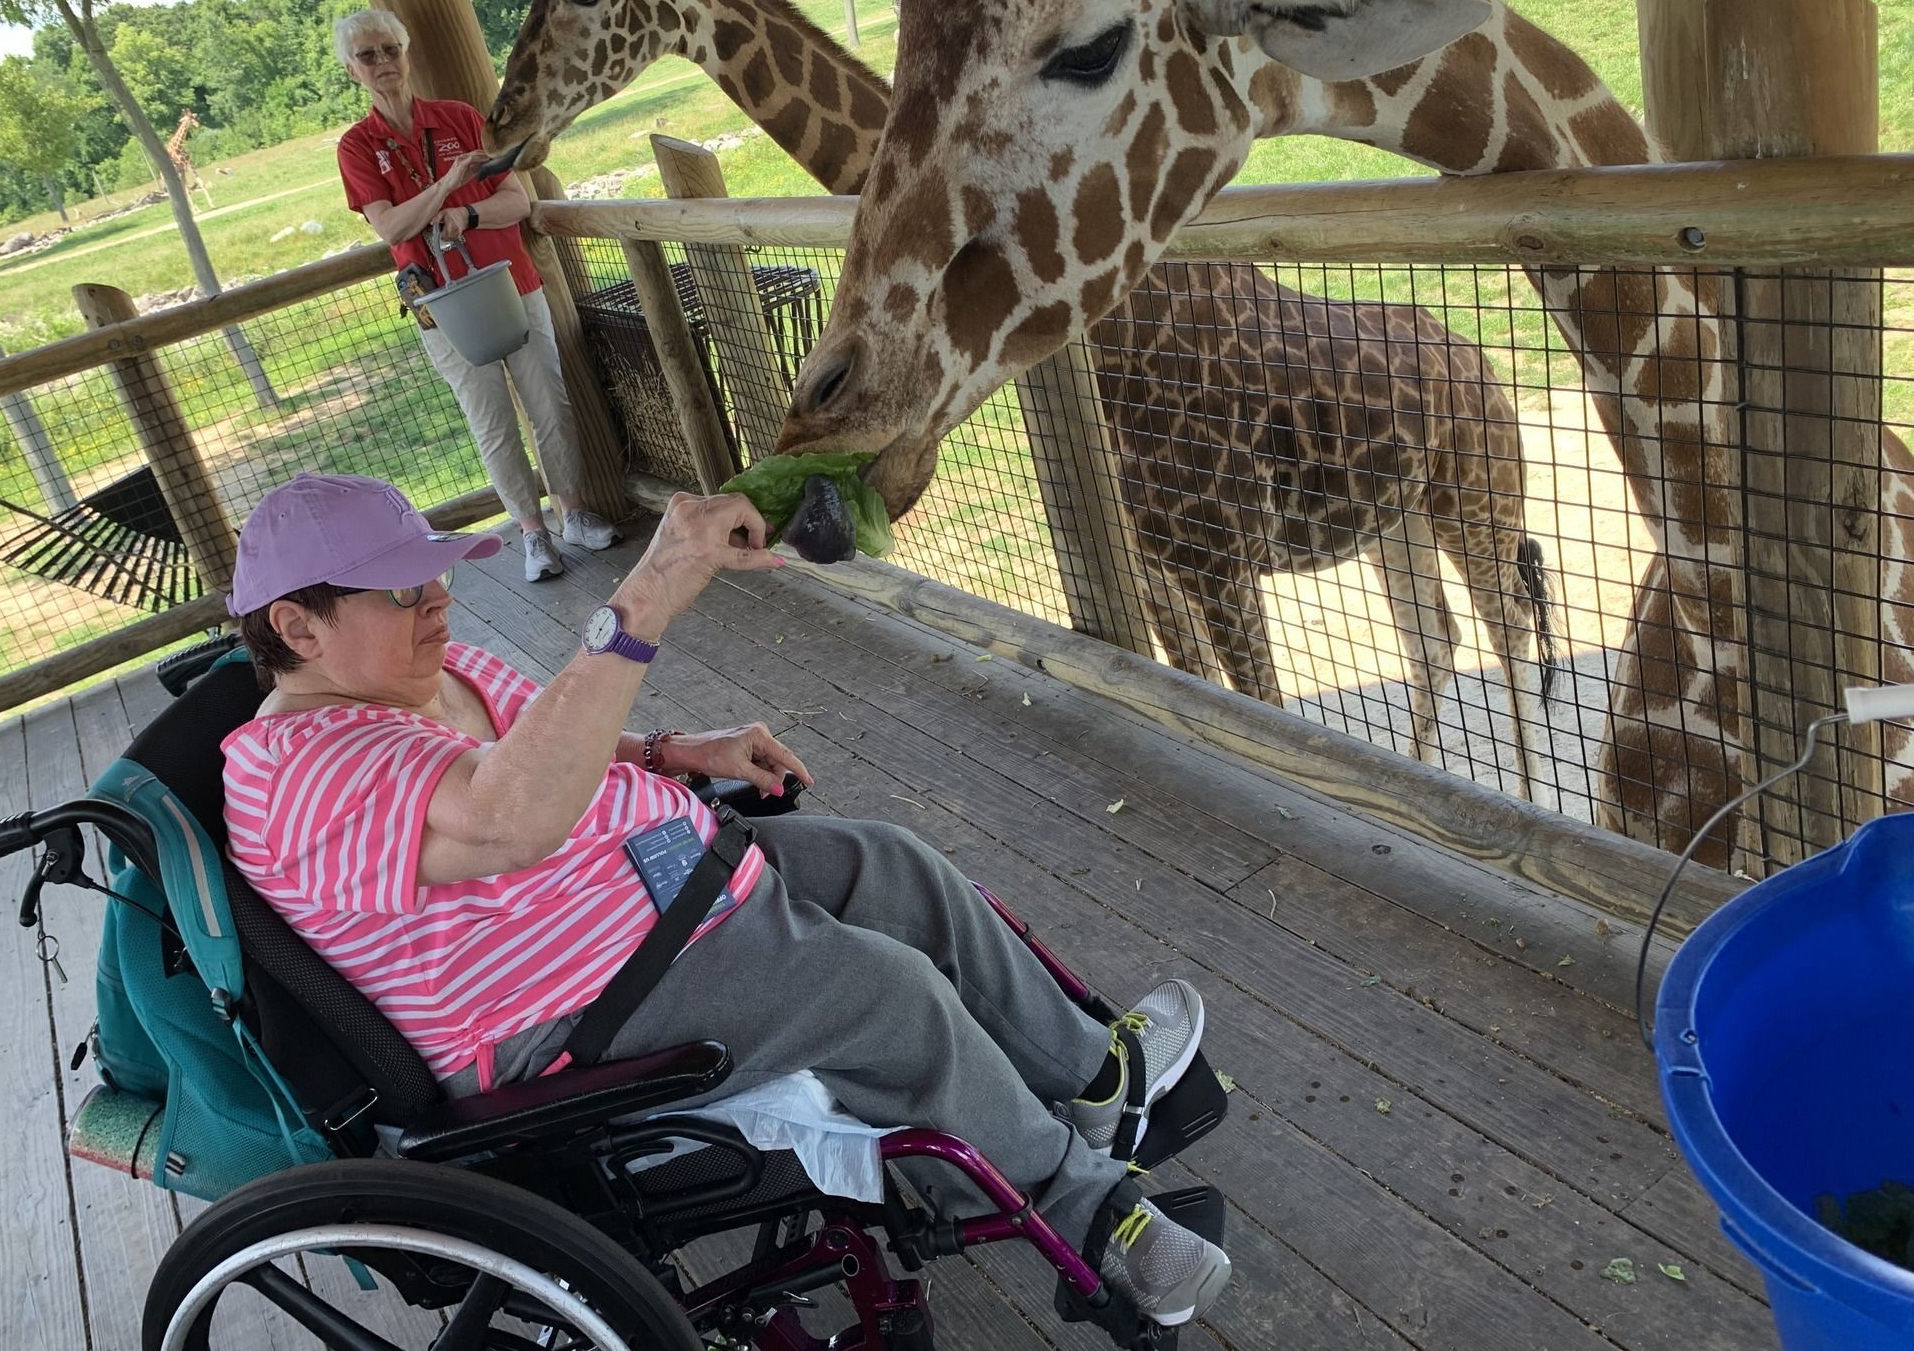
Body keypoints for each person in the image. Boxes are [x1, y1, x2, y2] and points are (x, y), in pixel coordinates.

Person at [220, 472, 1235, 1329]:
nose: (436, 599)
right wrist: (652, 588)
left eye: (432, 573)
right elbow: (510, 813)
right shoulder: (296, 772)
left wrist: (671, 751)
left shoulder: (426, 675)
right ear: (296, 626)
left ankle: (1095, 1081)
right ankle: (1087, 1216)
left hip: (674, 882)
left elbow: (544, 746)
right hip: (581, 1007)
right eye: (400, 591)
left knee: (895, 866)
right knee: (883, 993)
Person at [333, 8, 615, 583]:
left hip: (512, 285)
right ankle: (532, 535)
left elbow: (517, 202)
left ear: (406, 54)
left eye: (391, 49)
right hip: (444, 307)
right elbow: (391, 228)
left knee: (550, 405)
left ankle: (574, 512)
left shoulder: (459, 119)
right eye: (369, 56)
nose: (384, 63)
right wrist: (447, 187)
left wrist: (468, 210)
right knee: (490, 420)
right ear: (350, 70)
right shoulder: (359, 147)